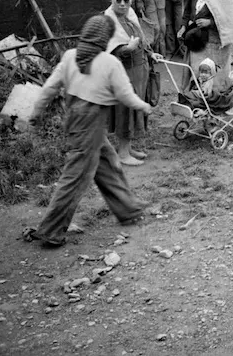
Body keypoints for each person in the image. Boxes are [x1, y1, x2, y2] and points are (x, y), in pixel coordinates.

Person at [21, 15, 151, 248]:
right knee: (75, 178)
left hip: (74, 119)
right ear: (106, 38)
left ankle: (128, 208)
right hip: (92, 122)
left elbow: (50, 87)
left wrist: (36, 112)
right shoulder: (109, 62)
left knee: (108, 162)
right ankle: (51, 230)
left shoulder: (70, 56)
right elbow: (125, 94)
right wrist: (143, 105)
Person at [104, 0, 150, 166]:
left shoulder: (129, 17)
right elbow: (107, 51)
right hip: (123, 73)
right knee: (125, 109)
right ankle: (123, 154)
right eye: (119, 1)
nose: (123, 4)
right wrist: (126, 49)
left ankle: (127, 147)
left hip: (137, 71)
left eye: (126, 0)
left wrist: (149, 53)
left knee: (133, 108)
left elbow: (141, 39)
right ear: (112, 2)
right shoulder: (109, 21)